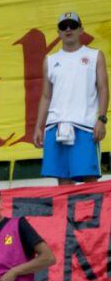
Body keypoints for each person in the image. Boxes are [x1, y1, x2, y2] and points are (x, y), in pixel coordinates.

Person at [34, 12, 108, 185]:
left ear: (81, 30)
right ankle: (68, 214)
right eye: (63, 26)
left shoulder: (95, 55)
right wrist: (39, 127)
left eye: (73, 25)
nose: (68, 29)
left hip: (85, 124)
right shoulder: (50, 60)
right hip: (56, 125)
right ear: (58, 32)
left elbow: (103, 88)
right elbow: (46, 96)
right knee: (63, 181)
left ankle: (94, 213)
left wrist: (102, 119)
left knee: (89, 178)